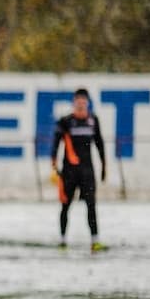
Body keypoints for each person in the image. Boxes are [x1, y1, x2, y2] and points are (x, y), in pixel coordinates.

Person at [50, 88, 106, 251]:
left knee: (91, 205)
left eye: (84, 102)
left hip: (87, 171)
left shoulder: (93, 120)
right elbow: (55, 143)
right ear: (74, 103)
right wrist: (54, 164)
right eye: (78, 102)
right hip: (69, 172)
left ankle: (95, 240)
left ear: (87, 103)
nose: (81, 105)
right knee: (66, 206)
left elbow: (100, 144)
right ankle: (62, 240)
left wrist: (104, 166)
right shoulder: (66, 121)